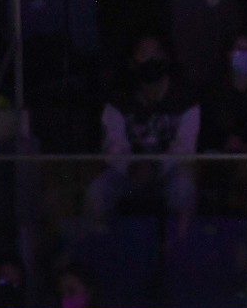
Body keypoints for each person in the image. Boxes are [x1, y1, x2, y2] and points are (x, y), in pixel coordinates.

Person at [85, 33, 200, 239]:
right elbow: (113, 144)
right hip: (128, 172)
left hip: (169, 171)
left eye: (157, 53)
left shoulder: (186, 98)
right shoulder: (118, 99)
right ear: (132, 61)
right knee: (97, 192)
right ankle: (104, 245)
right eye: (144, 54)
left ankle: (179, 246)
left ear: (167, 58)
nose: (151, 59)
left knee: (183, 189)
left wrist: (156, 166)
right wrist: (131, 166)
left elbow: (186, 146)